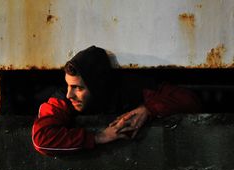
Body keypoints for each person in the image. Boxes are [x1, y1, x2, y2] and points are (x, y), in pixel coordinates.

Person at [32, 46, 201, 156]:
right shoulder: (63, 99)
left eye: (78, 88)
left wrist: (148, 109)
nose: (70, 94)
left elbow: (189, 99)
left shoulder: (132, 89)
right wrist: (99, 137)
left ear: (97, 86)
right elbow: (42, 139)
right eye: (68, 86)